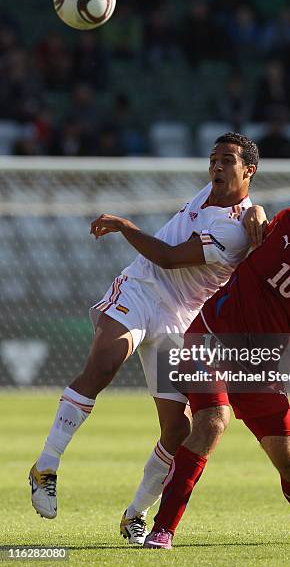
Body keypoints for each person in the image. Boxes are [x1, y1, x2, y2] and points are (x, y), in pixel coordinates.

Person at [29, 133, 266, 542]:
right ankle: (45, 467)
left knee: (177, 430)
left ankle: (135, 514)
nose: (217, 167)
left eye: (227, 160)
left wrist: (124, 225)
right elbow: (248, 210)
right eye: (213, 159)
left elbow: (171, 259)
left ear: (249, 170)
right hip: (140, 290)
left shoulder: (235, 230)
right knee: (103, 365)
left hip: (179, 318)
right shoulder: (217, 196)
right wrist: (258, 208)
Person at [143, 175, 290, 549]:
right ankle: (163, 529)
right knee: (211, 422)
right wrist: (256, 208)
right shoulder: (288, 223)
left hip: (258, 366)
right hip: (208, 340)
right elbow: (244, 219)